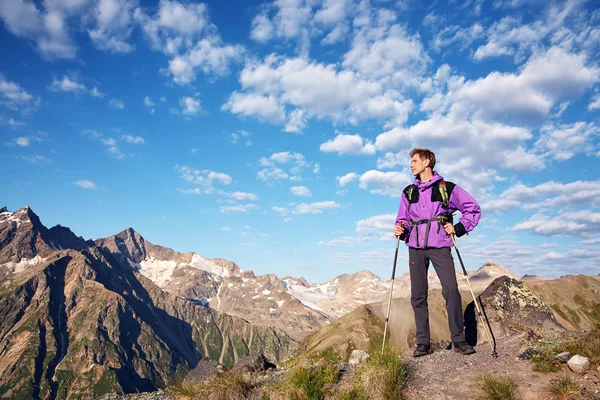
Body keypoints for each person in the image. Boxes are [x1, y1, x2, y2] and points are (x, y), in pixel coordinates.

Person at [393, 148, 481, 357]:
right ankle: (423, 343)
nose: (411, 165)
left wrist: (458, 228)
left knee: (451, 289)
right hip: (415, 247)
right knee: (418, 295)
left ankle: (459, 340)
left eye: (414, 161)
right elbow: (402, 218)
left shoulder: (447, 188)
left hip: (440, 245)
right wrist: (400, 228)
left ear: (426, 162)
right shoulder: (408, 192)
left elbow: (473, 208)